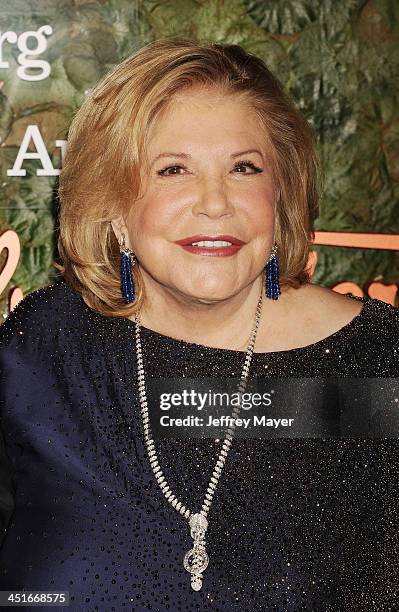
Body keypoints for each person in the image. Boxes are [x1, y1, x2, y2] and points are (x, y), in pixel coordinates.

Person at [0, 37, 398, 612]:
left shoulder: (376, 369)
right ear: (113, 209)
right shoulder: (39, 355)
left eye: (243, 168)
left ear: (280, 194)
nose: (215, 202)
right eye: (173, 170)